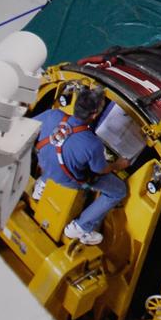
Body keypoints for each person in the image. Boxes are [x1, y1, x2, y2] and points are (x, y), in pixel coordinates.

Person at [32, 86, 130, 246]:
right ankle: (80, 227)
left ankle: (42, 183)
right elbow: (101, 169)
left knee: (54, 157)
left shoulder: (53, 115)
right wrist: (118, 164)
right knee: (118, 191)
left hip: (45, 162)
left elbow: (31, 126)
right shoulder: (92, 144)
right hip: (68, 180)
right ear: (94, 114)